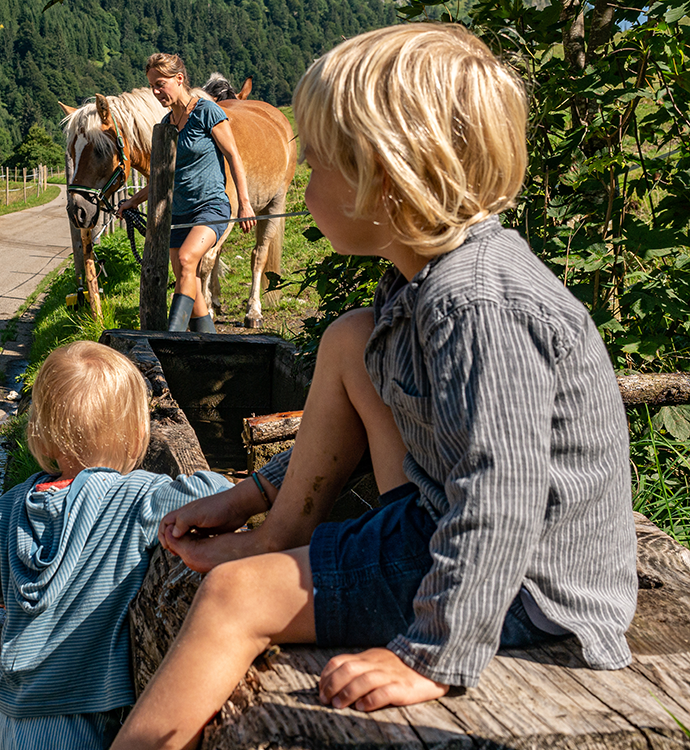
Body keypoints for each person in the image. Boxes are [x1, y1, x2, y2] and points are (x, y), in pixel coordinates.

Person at [109, 23, 637, 749]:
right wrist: (255, 491)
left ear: (385, 178)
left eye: (320, 164)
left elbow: (504, 488)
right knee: (353, 339)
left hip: (524, 588)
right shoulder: (425, 284)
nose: (303, 181)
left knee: (234, 597)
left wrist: (433, 652)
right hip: (450, 518)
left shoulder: (476, 307)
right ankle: (281, 525)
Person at [0, 340, 233, 749]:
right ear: (138, 432)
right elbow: (215, 491)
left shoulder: (13, 504)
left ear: (42, 431)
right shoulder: (140, 497)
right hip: (81, 713)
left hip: (8, 713)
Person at [117, 53, 256, 333]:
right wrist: (134, 200)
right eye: (152, 86)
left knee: (186, 260)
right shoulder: (167, 125)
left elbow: (233, 156)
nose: (156, 92)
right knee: (185, 275)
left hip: (211, 207)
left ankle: (172, 337)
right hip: (178, 214)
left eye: (161, 84)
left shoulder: (207, 112)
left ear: (179, 79)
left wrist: (244, 204)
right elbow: (163, 176)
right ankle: (210, 346)